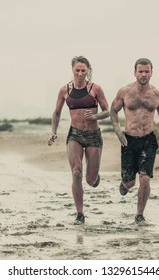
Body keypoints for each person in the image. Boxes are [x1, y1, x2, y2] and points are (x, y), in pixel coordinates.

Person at [48, 56, 109, 225]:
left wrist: (95, 115)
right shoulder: (65, 90)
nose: (81, 73)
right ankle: (80, 213)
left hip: (93, 136)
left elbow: (107, 111)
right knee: (76, 172)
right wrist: (53, 131)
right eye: (77, 70)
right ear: (72, 70)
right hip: (74, 134)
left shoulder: (95, 89)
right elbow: (57, 113)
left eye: (83, 70)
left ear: (88, 70)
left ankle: (95, 178)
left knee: (90, 180)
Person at [110, 58, 159, 225]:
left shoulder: (157, 94)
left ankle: (139, 214)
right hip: (129, 140)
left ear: (151, 72)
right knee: (130, 182)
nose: (143, 74)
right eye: (140, 71)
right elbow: (113, 112)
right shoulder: (125, 92)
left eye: (146, 71)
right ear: (135, 72)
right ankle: (125, 185)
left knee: (145, 178)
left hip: (148, 140)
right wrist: (117, 130)